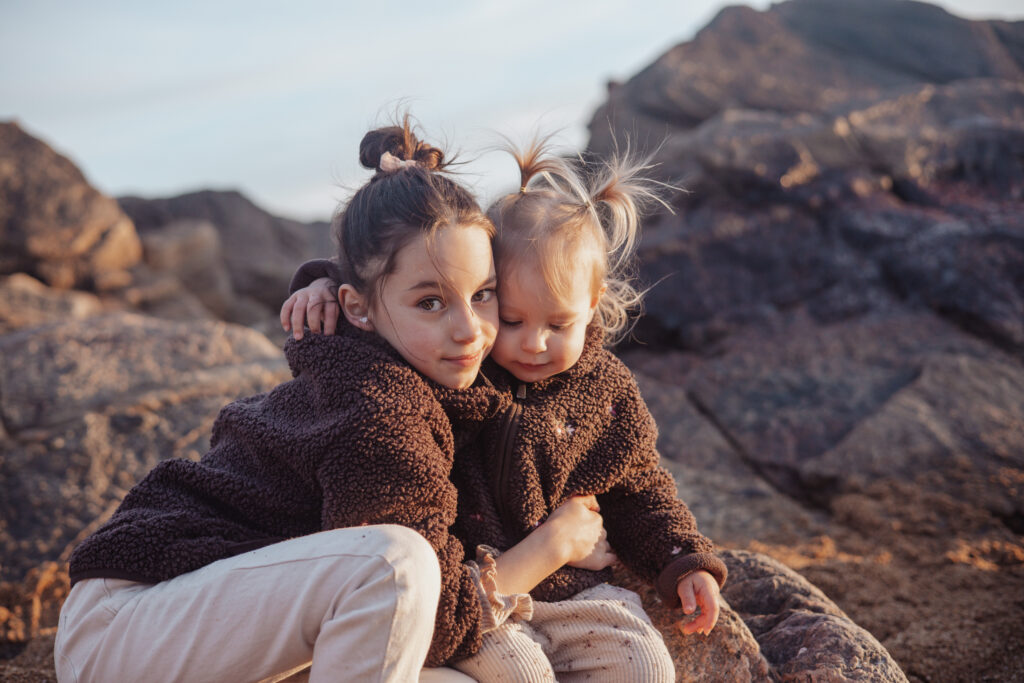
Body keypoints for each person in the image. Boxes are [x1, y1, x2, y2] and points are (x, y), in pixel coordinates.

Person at [55, 121, 612, 683]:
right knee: (398, 565)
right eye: (431, 302)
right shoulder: (376, 407)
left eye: (483, 294)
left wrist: (327, 283)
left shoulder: (427, 358)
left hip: (246, 624)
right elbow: (435, 610)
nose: (470, 330)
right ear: (358, 308)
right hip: (129, 626)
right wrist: (553, 544)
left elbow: (487, 294)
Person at [284, 138, 727, 682]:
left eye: (558, 325)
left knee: (645, 667)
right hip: (477, 586)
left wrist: (682, 560)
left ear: (592, 305)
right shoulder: (457, 367)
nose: (533, 344)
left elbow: (640, 487)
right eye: (512, 319)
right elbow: (393, 297)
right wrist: (322, 282)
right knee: (524, 676)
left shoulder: (605, 390)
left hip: (571, 589)